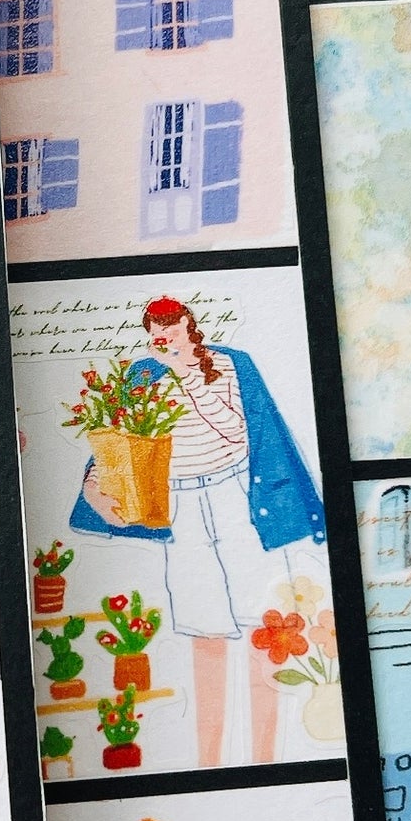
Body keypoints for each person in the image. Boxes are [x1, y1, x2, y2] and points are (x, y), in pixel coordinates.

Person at [70, 298, 325, 766]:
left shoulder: (232, 364)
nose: (162, 338)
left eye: (170, 329)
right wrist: (95, 487)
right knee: (205, 632)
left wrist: (188, 378)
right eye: (155, 332)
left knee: (262, 628)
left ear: (190, 327)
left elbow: (247, 430)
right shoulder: (141, 375)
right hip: (181, 505)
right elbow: (115, 442)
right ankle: (210, 762)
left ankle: (266, 760)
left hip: (238, 498)